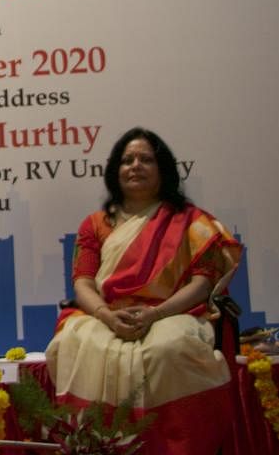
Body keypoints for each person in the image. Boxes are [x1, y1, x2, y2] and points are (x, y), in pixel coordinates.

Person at [46, 127, 241, 455]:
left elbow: (202, 282)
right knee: (75, 342)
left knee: (170, 348)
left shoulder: (190, 220)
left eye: (145, 159)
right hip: (107, 313)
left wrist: (157, 313)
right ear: (115, 171)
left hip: (172, 311)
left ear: (163, 169)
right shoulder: (95, 224)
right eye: (127, 160)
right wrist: (107, 316)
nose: (135, 165)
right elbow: (83, 281)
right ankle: (95, 447)